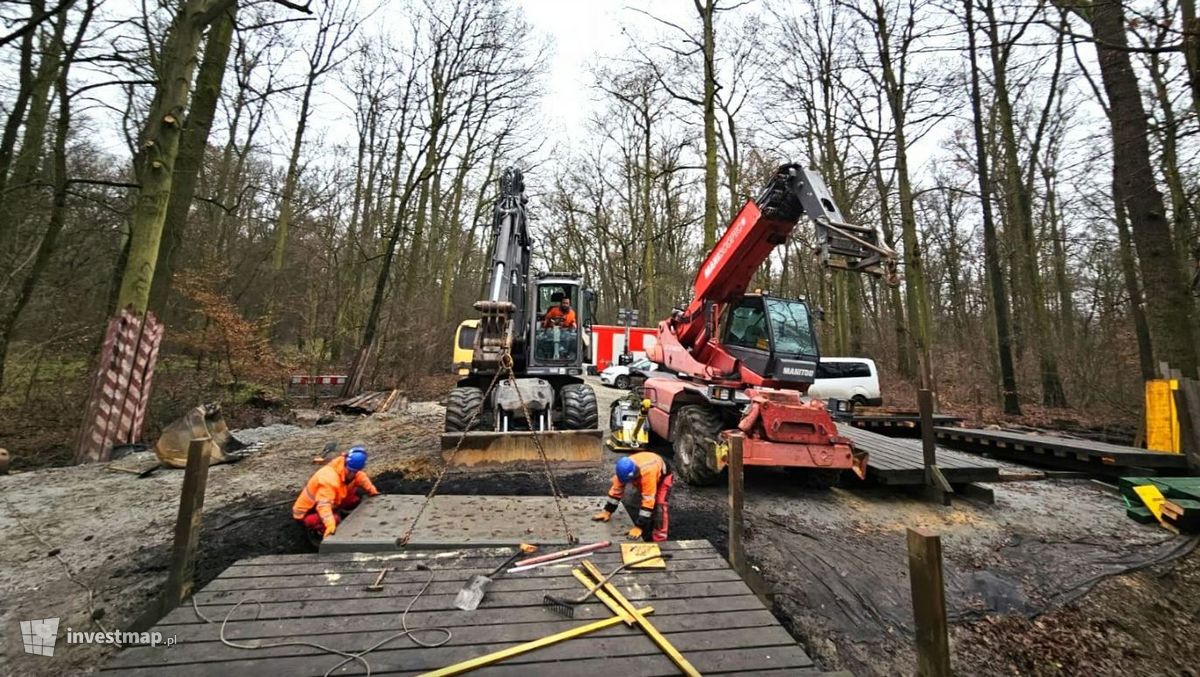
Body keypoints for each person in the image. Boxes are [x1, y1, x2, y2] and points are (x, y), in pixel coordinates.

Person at [292, 446, 379, 543]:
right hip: (307, 513)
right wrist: (330, 524)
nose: (355, 474)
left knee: (354, 499)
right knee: (335, 519)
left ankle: (339, 512)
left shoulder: (346, 467)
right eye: (353, 472)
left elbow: (361, 477)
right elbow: (323, 505)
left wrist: (373, 492)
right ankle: (319, 536)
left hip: (328, 503)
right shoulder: (328, 479)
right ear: (349, 468)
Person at [592, 452, 673, 542]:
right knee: (642, 502)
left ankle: (660, 537)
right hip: (647, 467)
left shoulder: (647, 474)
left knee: (660, 505)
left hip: (663, 475)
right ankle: (647, 525)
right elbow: (616, 492)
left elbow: (648, 501)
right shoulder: (623, 471)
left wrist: (639, 527)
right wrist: (607, 511)